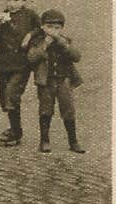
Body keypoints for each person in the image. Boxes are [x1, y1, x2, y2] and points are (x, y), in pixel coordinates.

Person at [26, 10, 84, 154]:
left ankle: (73, 141)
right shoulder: (38, 41)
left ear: (61, 29)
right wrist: (44, 45)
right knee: (46, 109)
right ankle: (44, 141)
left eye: (57, 28)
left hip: (64, 80)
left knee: (68, 109)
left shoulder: (65, 41)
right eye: (50, 27)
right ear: (43, 28)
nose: (53, 31)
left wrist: (64, 44)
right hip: (46, 81)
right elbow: (31, 58)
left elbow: (77, 56)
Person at [0, 0, 39, 146]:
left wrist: (29, 35)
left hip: (22, 63)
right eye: (8, 0)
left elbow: (40, 29)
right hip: (4, 63)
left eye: (16, 0)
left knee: (12, 94)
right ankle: (14, 129)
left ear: (23, 1)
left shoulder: (30, 15)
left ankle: (16, 132)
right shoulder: (2, 16)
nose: (11, 4)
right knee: (5, 98)